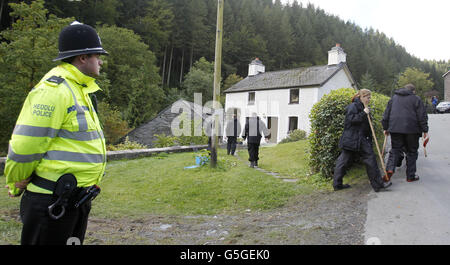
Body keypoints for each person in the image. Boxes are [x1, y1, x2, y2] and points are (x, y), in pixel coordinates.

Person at [4, 21, 108, 245]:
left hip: (75, 200)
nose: (101, 61)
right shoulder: (54, 90)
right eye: (97, 55)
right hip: (51, 201)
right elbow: (25, 146)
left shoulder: (80, 89)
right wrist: (16, 181)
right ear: (82, 57)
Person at [333, 89, 392, 192]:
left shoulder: (363, 106)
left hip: (360, 138)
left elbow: (365, 125)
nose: (369, 99)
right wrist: (363, 114)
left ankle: (337, 184)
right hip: (353, 138)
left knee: (345, 161)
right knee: (367, 159)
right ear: (361, 97)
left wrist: (369, 137)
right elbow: (350, 120)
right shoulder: (353, 106)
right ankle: (378, 185)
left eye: (369, 97)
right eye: (367, 97)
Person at [382, 84, 428, 182]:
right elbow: (422, 116)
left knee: (395, 150)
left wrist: (385, 127)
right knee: (411, 152)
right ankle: (410, 176)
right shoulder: (416, 99)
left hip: (395, 128)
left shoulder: (393, 98)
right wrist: (425, 130)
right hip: (412, 130)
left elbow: (386, 114)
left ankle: (389, 169)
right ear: (413, 91)